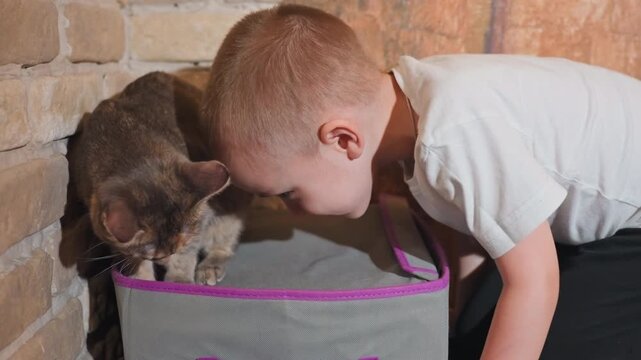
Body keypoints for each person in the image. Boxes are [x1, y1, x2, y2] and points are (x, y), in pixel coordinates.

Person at [202, 4, 641, 359]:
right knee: (475, 335)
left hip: (631, 221)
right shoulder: (413, 104)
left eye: (287, 193)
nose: (289, 210)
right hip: (571, 226)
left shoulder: (452, 136)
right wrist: (459, 313)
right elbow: (479, 220)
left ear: (343, 140)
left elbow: (536, 280)